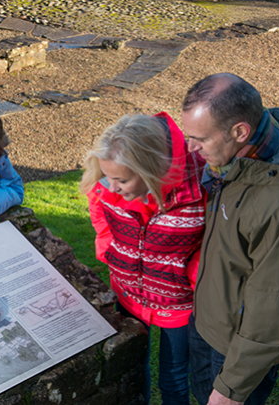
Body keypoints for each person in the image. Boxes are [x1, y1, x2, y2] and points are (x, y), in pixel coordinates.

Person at [180, 73, 279, 405]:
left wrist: (230, 390)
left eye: (200, 139)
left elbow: (274, 306)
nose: (190, 149)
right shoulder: (247, 153)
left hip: (237, 352)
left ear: (240, 131)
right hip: (208, 325)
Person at [81, 113, 206, 405]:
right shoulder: (107, 180)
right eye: (107, 177)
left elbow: (215, 240)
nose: (111, 188)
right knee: (133, 367)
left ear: (149, 170)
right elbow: (97, 204)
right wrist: (109, 249)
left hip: (179, 303)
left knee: (173, 376)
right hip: (128, 293)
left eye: (121, 180)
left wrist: (192, 274)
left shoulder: (200, 188)